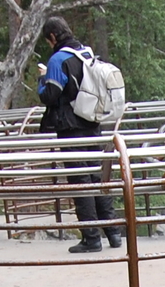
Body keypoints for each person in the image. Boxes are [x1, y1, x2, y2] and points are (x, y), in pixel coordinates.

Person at [36, 16, 123, 254]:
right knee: (97, 177)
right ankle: (113, 233)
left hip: (71, 128)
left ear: (52, 36)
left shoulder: (58, 59)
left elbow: (49, 95)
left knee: (80, 180)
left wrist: (43, 77)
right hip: (92, 124)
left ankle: (91, 237)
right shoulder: (86, 53)